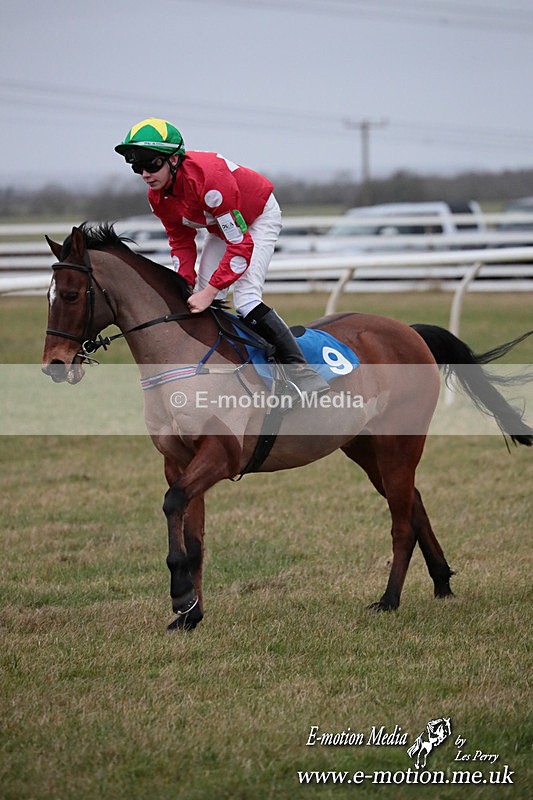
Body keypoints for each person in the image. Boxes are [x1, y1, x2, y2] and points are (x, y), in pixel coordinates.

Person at [114, 117, 329, 398]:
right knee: (201, 301)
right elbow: (180, 242)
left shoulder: (209, 183)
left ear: (175, 160)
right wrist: (185, 285)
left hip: (257, 218)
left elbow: (240, 246)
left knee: (245, 299)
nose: (145, 173)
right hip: (219, 226)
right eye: (137, 166)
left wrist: (212, 289)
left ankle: (301, 372)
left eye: (152, 164)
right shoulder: (157, 197)